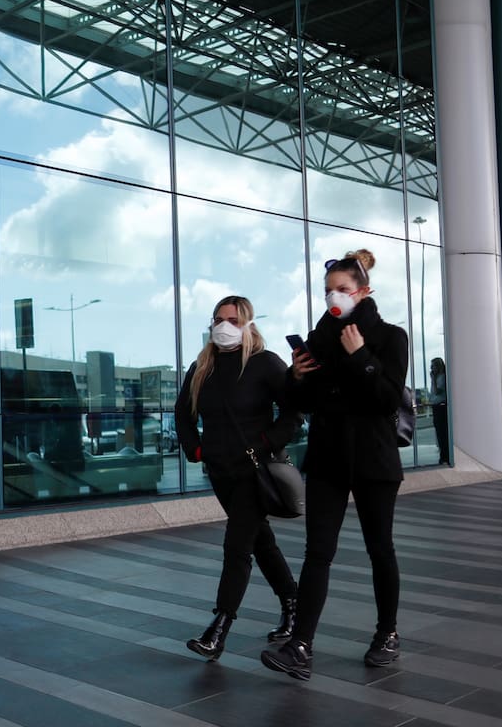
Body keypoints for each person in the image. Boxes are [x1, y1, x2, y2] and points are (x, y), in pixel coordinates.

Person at [261, 249, 408, 681]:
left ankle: (388, 633)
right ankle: (299, 646)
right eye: (328, 292)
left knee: (380, 548)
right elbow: (302, 404)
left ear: (363, 291)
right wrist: (298, 376)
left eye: (342, 290)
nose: (333, 299)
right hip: (327, 458)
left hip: (375, 459)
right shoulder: (319, 338)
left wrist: (361, 355)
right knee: (318, 553)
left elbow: (386, 399)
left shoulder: (391, 337)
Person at [175, 295, 302, 661]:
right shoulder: (203, 366)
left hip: (253, 472)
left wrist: (265, 445)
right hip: (219, 472)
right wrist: (196, 450)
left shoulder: (265, 363)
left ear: (248, 324)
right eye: (218, 319)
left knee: (237, 546)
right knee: (259, 541)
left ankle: (219, 627)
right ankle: (292, 603)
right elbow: (182, 414)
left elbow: (293, 414)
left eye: (232, 319)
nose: (223, 326)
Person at [429, 357, 449, 464]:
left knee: (442, 433)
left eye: (433, 366)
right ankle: (443, 455)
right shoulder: (437, 378)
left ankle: (444, 456)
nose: (431, 369)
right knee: (439, 433)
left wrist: (432, 379)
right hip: (436, 406)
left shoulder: (441, 378)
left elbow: (437, 392)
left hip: (441, 407)